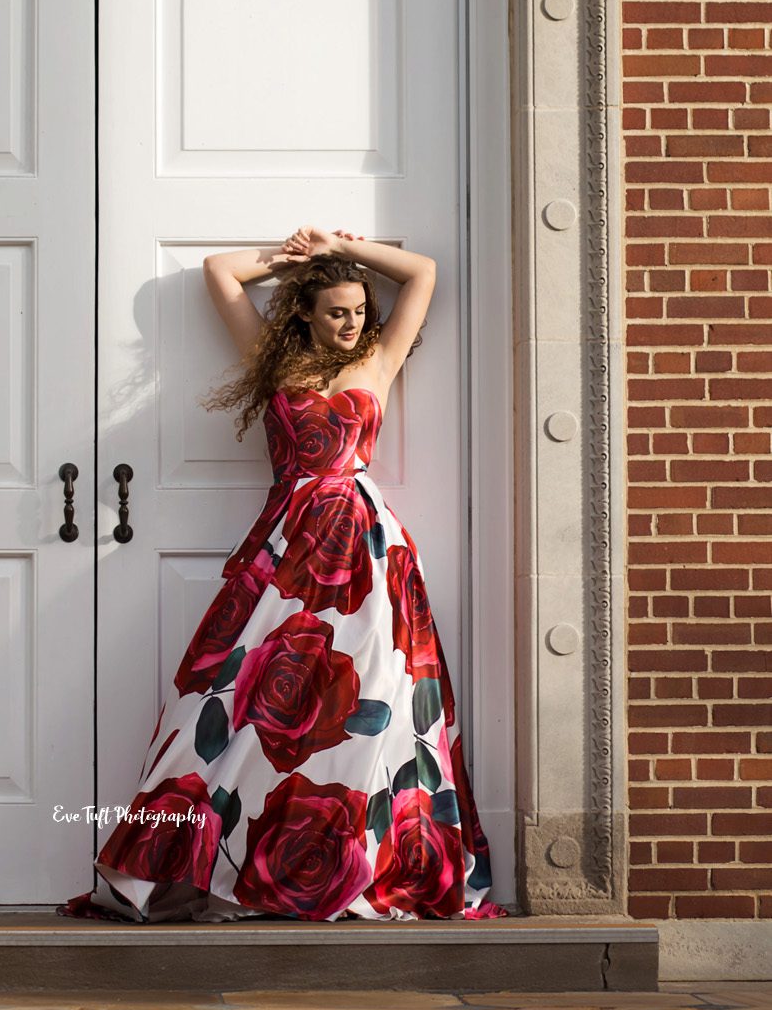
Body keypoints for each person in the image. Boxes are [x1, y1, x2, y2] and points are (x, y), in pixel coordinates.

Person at [56, 226, 510, 924]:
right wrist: (291, 257)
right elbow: (219, 272)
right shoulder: (277, 367)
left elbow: (420, 272)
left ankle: (347, 866)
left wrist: (345, 249)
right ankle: (214, 862)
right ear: (304, 310)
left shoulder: (379, 363)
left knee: (370, 707)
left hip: (366, 553)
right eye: (335, 310)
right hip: (285, 544)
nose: (351, 322)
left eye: (359, 309)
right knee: (229, 698)